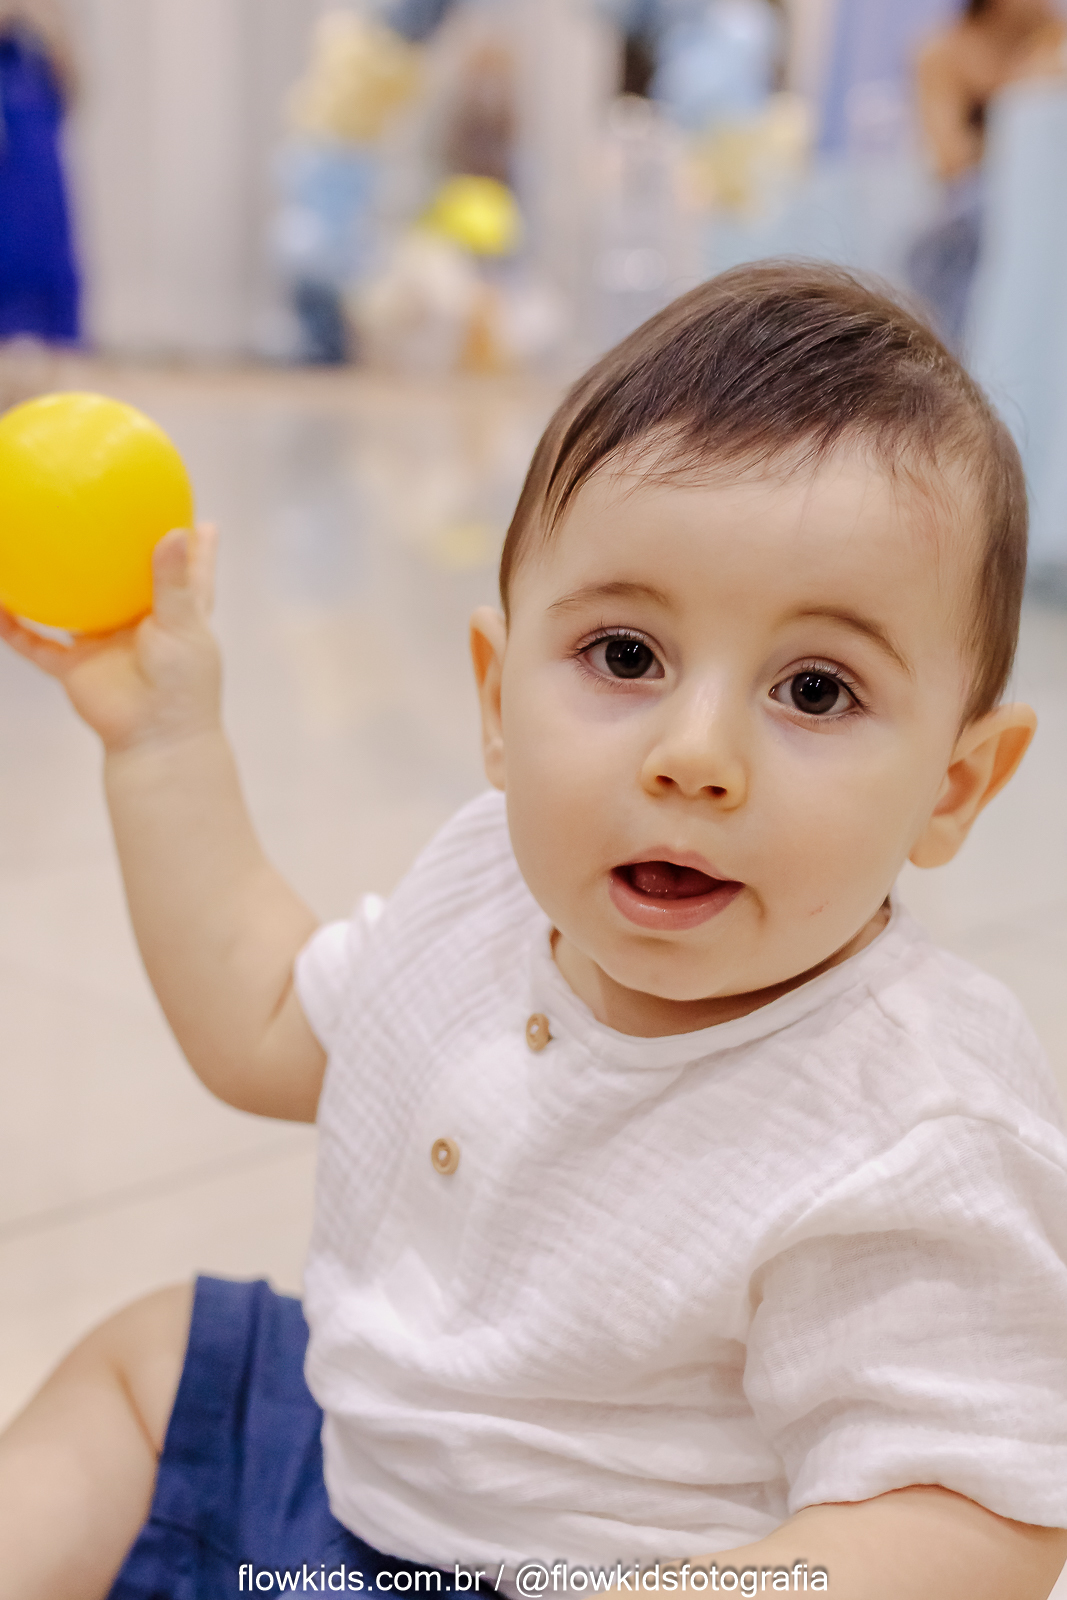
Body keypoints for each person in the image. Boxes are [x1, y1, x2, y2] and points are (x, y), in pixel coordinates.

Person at [1, 262, 1067, 1600]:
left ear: (952, 787)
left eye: (812, 688)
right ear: (497, 699)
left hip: (600, 1569)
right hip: (352, 1469)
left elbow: (975, 1515)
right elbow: (265, 1020)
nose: (694, 755)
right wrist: (161, 745)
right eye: (625, 656)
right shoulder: (484, 887)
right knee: (150, 1365)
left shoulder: (912, 1115)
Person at [909, 0, 1067, 347]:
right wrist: (1020, 88)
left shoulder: (1055, 41)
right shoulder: (942, 51)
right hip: (975, 207)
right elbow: (952, 159)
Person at [0, 0, 80, 343]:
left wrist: (49, 26)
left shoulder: (41, 25)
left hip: (38, 170)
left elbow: (73, 93)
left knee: (49, 273)